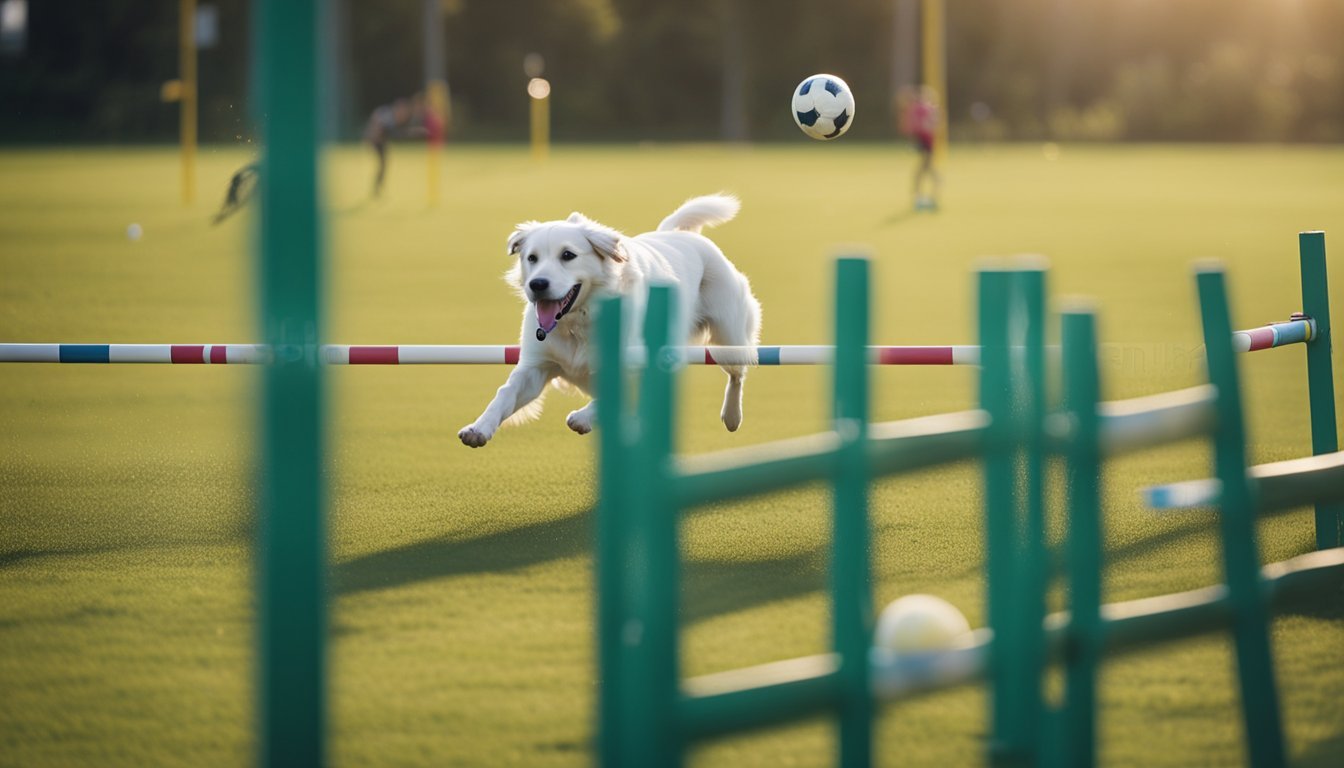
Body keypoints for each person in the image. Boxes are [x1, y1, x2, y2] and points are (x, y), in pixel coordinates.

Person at [364, 94, 429, 197]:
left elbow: (399, 132)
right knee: (382, 164)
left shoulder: (396, 118)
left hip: (381, 141)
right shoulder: (387, 118)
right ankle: (377, 189)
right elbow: (383, 129)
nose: (403, 113)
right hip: (376, 141)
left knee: (383, 165)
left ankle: (378, 189)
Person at [899, 86, 941, 211]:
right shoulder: (924, 109)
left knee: (924, 169)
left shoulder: (927, 109)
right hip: (924, 142)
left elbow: (926, 125)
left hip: (927, 142)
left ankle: (925, 196)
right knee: (924, 169)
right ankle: (925, 196)